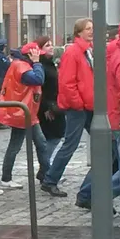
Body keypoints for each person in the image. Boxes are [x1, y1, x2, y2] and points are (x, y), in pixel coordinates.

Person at [76, 21, 120, 211]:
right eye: (88, 28)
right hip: (112, 114)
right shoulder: (115, 54)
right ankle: (92, 194)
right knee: (114, 159)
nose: (92, 32)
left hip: (108, 111)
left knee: (111, 158)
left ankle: (89, 194)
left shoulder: (106, 51)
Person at [42, 18, 95, 197]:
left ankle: (51, 179)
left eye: (91, 28)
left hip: (87, 105)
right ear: (78, 32)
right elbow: (67, 82)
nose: (91, 31)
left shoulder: (87, 51)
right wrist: (77, 103)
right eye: (87, 29)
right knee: (70, 144)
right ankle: (50, 179)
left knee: (106, 141)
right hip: (78, 107)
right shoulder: (74, 52)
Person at [0, 42, 48, 190]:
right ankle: (6, 178)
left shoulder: (19, 65)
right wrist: (37, 63)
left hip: (26, 112)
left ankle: (46, 173)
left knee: (41, 143)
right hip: (22, 113)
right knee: (16, 146)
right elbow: (38, 79)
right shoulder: (22, 67)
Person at [36, 36, 65, 179]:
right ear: (40, 49)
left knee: (54, 137)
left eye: (51, 44)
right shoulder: (41, 65)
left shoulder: (50, 63)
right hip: (48, 107)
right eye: (47, 45)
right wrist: (47, 107)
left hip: (55, 103)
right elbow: (40, 88)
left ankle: (45, 168)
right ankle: (45, 169)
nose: (51, 47)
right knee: (53, 137)